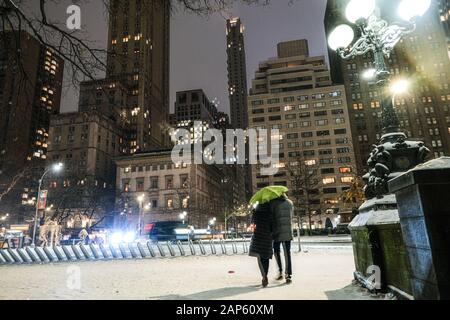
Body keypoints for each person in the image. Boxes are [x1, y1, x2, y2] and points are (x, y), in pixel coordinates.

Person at [270, 193, 294, 284]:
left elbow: (272, 217)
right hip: (288, 231)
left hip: (277, 231)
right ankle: (288, 274)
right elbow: (291, 216)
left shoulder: (273, 204)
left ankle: (280, 271)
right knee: (287, 253)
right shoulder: (290, 203)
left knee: (276, 250)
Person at [249, 202, 273, 288]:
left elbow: (252, 223)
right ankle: (265, 275)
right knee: (266, 258)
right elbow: (272, 226)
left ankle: (264, 276)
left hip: (258, 237)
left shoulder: (256, 212)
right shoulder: (270, 212)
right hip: (267, 237)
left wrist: (253, 211)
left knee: (260, 257)